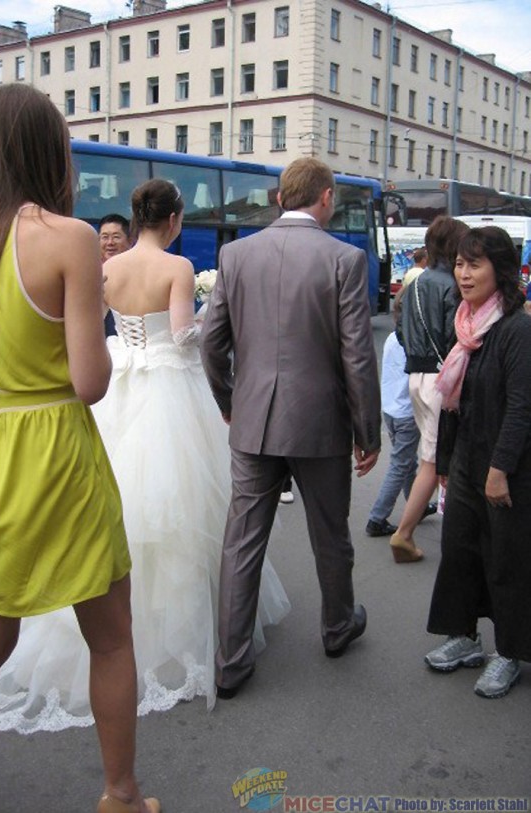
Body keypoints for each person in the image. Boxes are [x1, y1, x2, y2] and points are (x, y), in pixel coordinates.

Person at [0, 84, 158, 813]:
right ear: (48, 149)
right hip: (56, 455)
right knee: (111, 639)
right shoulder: (71, 238)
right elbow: (89, 381)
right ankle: (120, 794)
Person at [0, 178, 290, 728]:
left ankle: (110, 625)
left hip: (121, 380)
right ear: (173, 221)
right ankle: (187, 626)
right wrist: (207, 315)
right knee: (186, 511)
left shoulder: (108, 269)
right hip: (168, 386)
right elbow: (181, 334)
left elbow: (94, 325)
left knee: (120, 502)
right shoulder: (176, 270)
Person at [200, 157, 381, 699]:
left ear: (281, 199)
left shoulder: (235, 254)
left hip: (253, 419)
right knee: (330, 533)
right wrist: (366, 432)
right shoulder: (345, 259)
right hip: (320, 423)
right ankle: (337, 626)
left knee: (242, 540)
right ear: (325, 198)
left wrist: (230, 400)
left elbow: (212, 343)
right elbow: (357, 356)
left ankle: (230, 664)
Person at [425, 226, 531, 699]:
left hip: (506, 467)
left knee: (505, 559)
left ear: (500, 270)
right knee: (460, 550)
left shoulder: (516, 329)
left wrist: (500, 468)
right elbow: (458, 403)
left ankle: (508, 653)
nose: (464, 274)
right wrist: (447, 461)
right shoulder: (468, 325)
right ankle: (464, 637)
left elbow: (522, 406)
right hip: (468, 457)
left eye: (475, 265)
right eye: (461, 264)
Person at [390, 215, 470, 563]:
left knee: (433, 453)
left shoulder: (415, 284)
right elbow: (459, 337)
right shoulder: (452, 286)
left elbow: (402, 333)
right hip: (441, 379)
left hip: (416, 377)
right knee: (433, 460)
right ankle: (404, 533)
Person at [365, 289, 421, 537]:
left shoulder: (392, 338)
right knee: (400, 464)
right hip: (407, 412)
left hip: (391, 410)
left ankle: (416, 504)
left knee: (407, 462)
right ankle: (377, 518)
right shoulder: (413, 343)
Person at [99, 214, 132, 337]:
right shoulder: (89, 271)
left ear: (130, 240)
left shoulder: (137, 270)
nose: (110, 243)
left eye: (116, 237)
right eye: (104, 237)